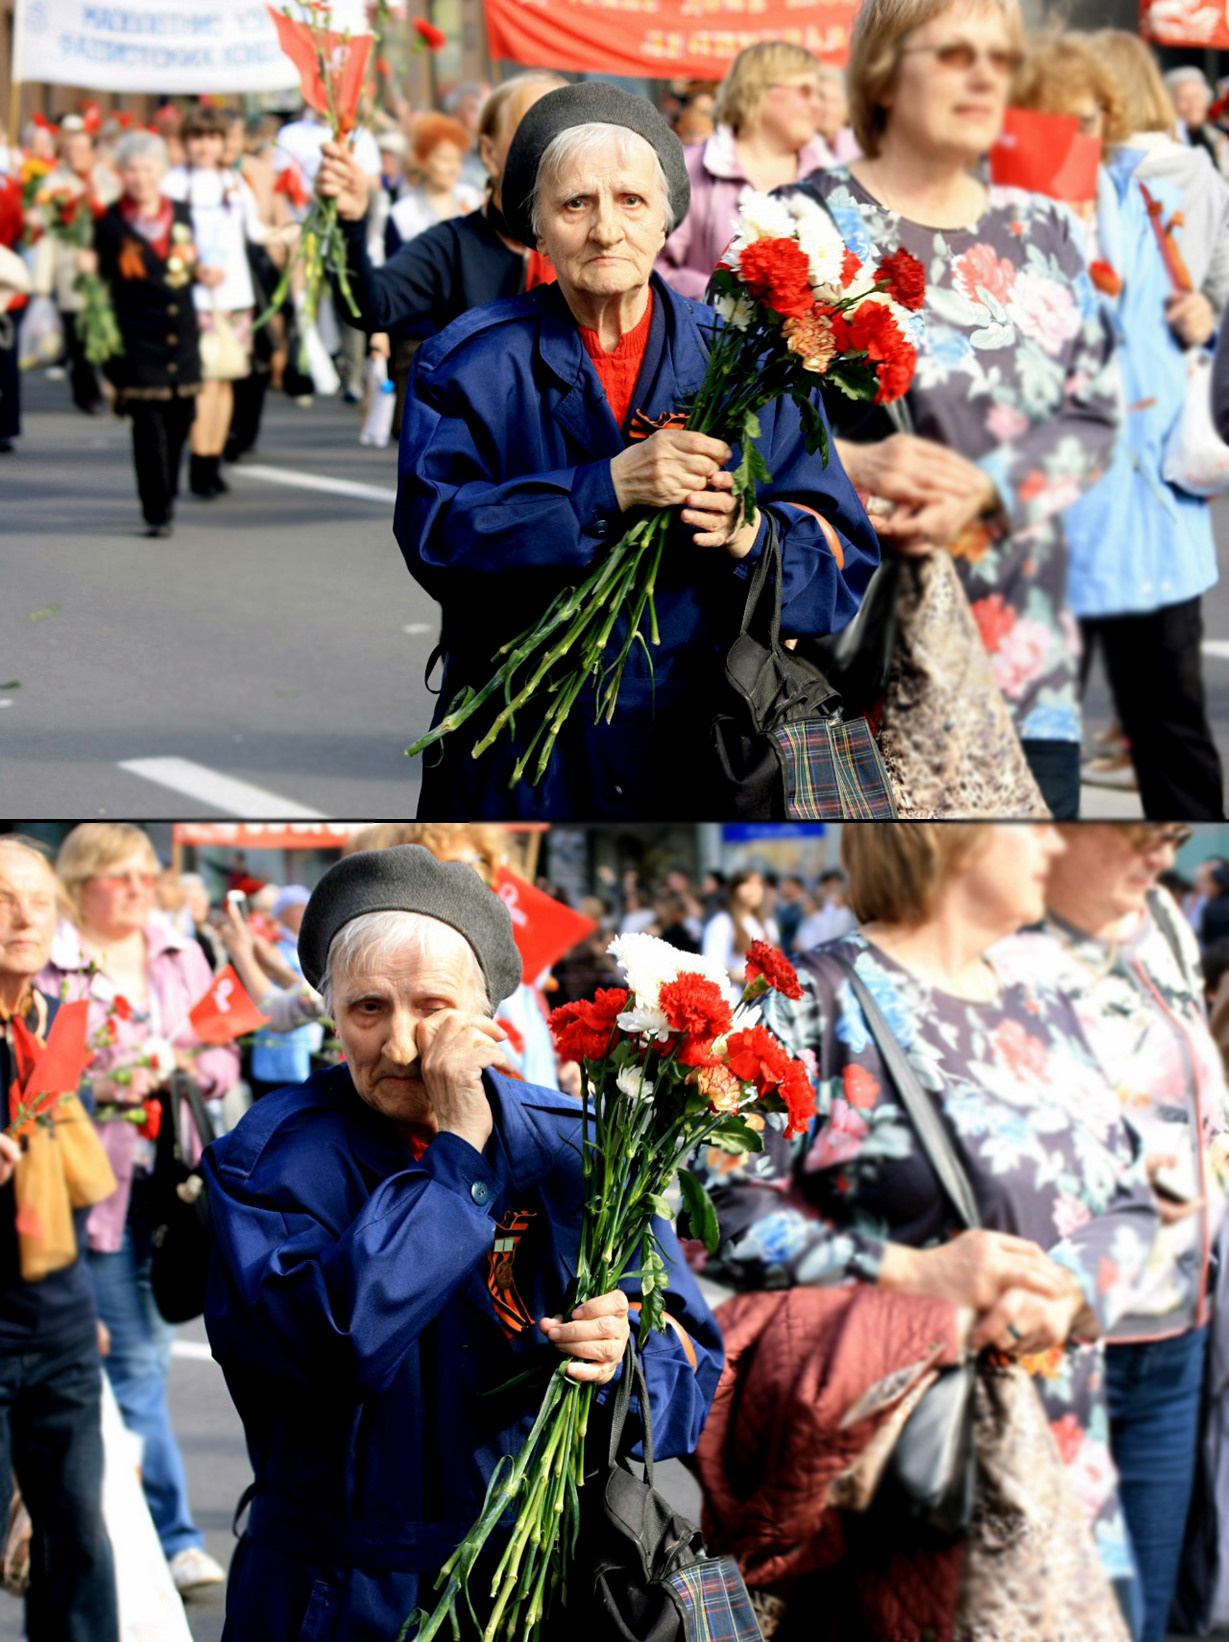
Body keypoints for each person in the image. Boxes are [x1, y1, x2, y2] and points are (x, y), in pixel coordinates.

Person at [203, 845, 722, 1642]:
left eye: (433, 1008)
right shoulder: (267, 1162)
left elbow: (689, 1367)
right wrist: (457, 1159)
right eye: (368, 1009)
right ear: (332, 1012)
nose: (404, 1046)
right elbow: (335, 1346)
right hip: (338, 1593)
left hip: (540, 1580)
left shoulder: (574, 1148)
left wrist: (622, 1355)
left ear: (487, 1016)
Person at [696, 822, 1159, 1630]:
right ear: (952, 841)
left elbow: (1129, 1197)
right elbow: (715, 1211)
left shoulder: (1042, 1000)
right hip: (905, 1473)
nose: (1054, 849)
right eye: (1032, 829)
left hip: (1065, 1453)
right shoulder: (814, 998)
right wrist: (911, 1273)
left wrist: (1073, 1292)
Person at [397, 81, 878, 819]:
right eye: (575, 205)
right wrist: (603, 487)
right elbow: (437, 540)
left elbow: (840, 560)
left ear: (665, 223)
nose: (604, 231)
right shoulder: (466, 365)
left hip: (704, 744)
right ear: (538, 226)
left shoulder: (744, 363)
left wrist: (750, 534)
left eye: (630, 202)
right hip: (526, 745)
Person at [790, 0, 1120, 819]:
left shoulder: (1046, 229)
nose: (982, 75)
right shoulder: (804, 221)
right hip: (856, 658)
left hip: (1023, 665)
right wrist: (853, 467)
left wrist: (986, 489)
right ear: (884, 72)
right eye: (953, 54)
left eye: (997, 58)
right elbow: (729, 416)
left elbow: (1098, 414)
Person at [997, 822, 1227, 1642]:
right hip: (1058, 1347)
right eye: (1141, 835)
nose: (1162, 854)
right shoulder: (995, 937)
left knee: (1156, 1611)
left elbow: (1191, 1095)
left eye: (1172, 836)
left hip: (1175, 1329)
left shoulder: (1159, 914)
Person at [1012, 35, 1224, 819]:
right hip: (1045, 532)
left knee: (1173, 734)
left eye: (1090, 115)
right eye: (1054, 118)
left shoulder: (1144, 200)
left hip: (1148, 520)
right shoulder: (997, 228)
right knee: (1040, 749)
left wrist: (1198, 320)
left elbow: (1183, 317)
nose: (1075, 134)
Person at [38, 823, 238, 1596]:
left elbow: (224, 1051)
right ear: (81, 879)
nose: (136, 889)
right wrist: (100, 1080)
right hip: (91, 1187)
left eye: (144, 874)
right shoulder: (55, 959)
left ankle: (102, 1519)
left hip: (173, 1183)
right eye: (117, 876)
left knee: (130, 1361)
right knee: (135, 1363)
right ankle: (175, 1537)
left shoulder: (179, 949)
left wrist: (180, 1065)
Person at [0, 839, 120, 1642]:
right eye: (4, 898)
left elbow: (68, 1189)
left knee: (77, 1545)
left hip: (60, 1328)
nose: (25, 916)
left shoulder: (50, 1020)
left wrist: (91, 1306)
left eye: (39, 901)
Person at [317, 72, 567, 343]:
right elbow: (372, 305)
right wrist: (349, 225)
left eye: (567, 132)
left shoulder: (596, 241)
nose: (555, 147)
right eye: (534, 129)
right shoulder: (451, 247)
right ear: (488, 153)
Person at [165, 104, 286, 499]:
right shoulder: (173, 183)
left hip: (235, 296)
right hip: (195, 299)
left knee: (227, 378)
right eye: (197, 137)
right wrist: (195, 267)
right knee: (203, 383)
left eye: (212, 137)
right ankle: (200, 463)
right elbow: (165, 241)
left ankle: (214, 457)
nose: (204, 145)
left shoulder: (234, 181)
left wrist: (295, 232)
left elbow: (253, 230)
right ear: (186, 141)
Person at [86, 131, 202, 537]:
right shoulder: (111, 221)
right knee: (148, 425)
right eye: (132, 169)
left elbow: (193, 265)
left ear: (161, 171)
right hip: (136, 336)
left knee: (181, 419)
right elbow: (100, 280)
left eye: (148, 169)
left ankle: (166, 488)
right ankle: (157, 508)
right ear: (122, 174)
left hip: (181, 334)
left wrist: (206, 272)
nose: (140, 177)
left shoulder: (182, 213)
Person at [657, 43, 834, 300]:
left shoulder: (831, 176)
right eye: (805, 91)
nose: (818, 105)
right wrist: (727, 298)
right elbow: (651, 267)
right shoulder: (691, 168)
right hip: (709, 338)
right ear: (757, 91)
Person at [1094, 32, 1229, 319]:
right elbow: (1222, 288)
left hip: (1090, 347)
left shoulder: (1081, 169)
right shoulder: (1203, 174)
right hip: (1173, 349)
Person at [32, 116, 119, 414]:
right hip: (71, 270)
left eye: (82, 148)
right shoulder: (55, 185)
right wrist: (42, 284)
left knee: (111, 328)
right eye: (69, 148)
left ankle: (117, 385)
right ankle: (87, 392)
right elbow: (47, 236)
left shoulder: (108, 179)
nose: (75, 154)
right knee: (78, 335)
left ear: (93, 151)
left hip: (106, 268)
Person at [246, 885, 322, 1101]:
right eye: (295, 908)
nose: (301, 913)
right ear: (283, 914)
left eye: (304, 907)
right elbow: (267, 996)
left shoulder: (313, 945)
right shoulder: (272, 946)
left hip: (307, 1047)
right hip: (277, 1047)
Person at [386, 113, 483, 253]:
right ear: (423, 160)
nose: (454, 168)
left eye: (458, 160)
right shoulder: (403, 214)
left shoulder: (474, 199)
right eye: (445, 160)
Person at [702, 870, 779, 986]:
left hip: (765, 999)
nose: (754, 890)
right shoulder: (721, 923)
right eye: (748, 884)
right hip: (735, 996)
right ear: (735, 889)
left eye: (758, 884)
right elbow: (712, 966)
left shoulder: (767, 924)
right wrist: (748, 979)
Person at [1165, 66, 1229, 176]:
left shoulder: (1217, 136)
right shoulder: (1168, 141)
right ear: (1170, 104)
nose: (1193, 105)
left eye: (1197, 97)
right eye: (1183, 99)